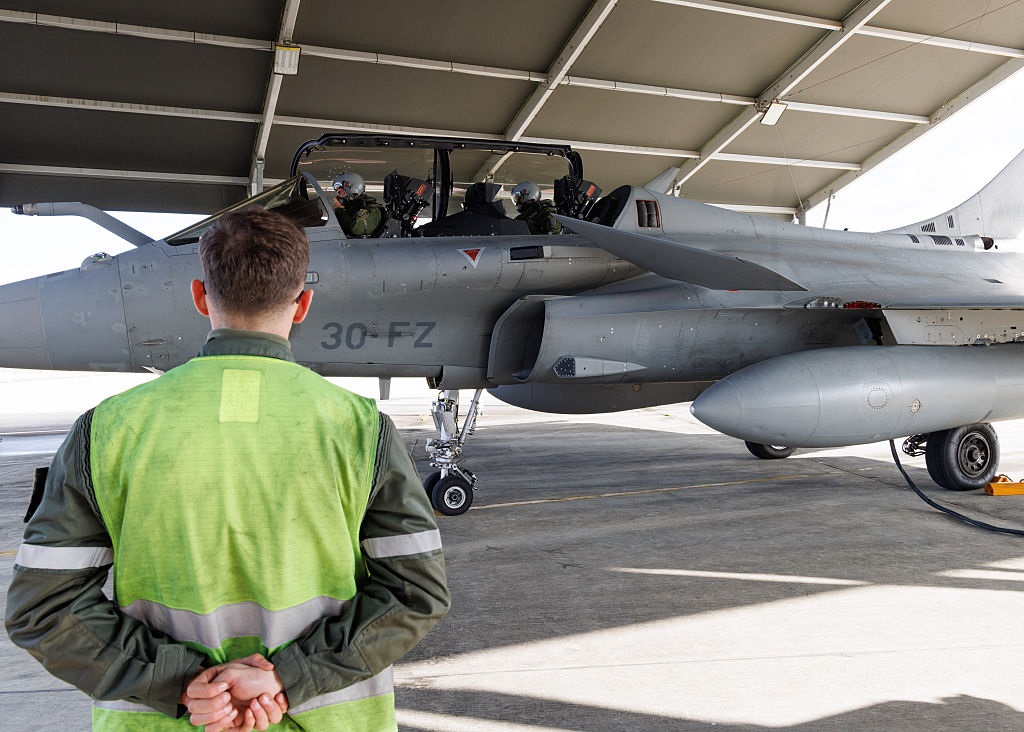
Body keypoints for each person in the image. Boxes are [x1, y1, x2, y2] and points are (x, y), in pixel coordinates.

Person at [6, 207, 451, 731]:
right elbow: (415, 593)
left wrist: (182, 683)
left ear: (200, 296)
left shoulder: (108, 428)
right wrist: (289, 675)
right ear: (303, 304)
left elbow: (42, 607)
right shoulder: (360, 428)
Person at [332, 171, 386, 237]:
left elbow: (355, 227)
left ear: (352, 189)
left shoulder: (372, 210)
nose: (338, 196)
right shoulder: (350, 208)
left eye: (340, 192)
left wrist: (339, 209)